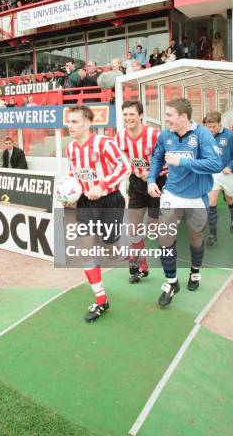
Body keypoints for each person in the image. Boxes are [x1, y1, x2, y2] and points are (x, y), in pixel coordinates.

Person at [147, 98, 222, 307]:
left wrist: (183, 161)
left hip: (197, 197)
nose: (166, 119)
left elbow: (216, 163)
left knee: (195, 238)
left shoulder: (202, 135)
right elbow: (157, 158)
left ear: (183, 117)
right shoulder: (165, 135)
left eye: (170, 115)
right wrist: (151, 179)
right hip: (171, 194)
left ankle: (195, 271)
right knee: (164, 238)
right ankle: (171, 282)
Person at [65, 105, 131, 322]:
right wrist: (68, 191)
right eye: (69, 121)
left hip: (110, 201)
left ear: (87, 123)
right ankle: (101, 300)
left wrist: (102, 185)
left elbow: (124, 167)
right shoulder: (71, 148)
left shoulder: (105, 143)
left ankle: (126, 250)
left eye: (74, 122)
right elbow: (73, 173)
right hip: (85, 203)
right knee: (85, 248)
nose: (69, 125)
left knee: (110, 249)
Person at [116, 100, 167, 283]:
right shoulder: (120, 137)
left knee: (154, 229)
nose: (128, 118)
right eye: (126, 114)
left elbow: (167, 159)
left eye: (132, 114)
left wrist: (152, 173)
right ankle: (142, 266)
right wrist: (137, 172)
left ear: (141, 116)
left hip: (159, 183)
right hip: (137, 184)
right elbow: (124, 159)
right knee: (134, 226)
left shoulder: (155, 135)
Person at [205, 111, 233, 246]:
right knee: (211, 202)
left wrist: (230, 166)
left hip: (228, 175)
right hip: (213, 175)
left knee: (230, 200)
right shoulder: (205, 137)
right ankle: (212, 234)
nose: (211, 130)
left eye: (213, 127)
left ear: (219, 124)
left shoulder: (230, 135)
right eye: (208, 127)